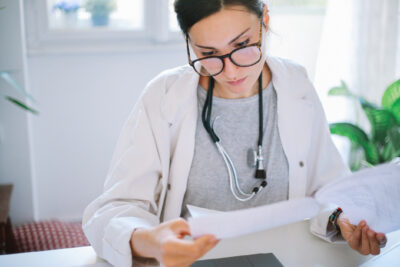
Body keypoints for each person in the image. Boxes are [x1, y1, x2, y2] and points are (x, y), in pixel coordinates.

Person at [82, 1, 387, 266]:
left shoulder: (296, 84)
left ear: (264, 20)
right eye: (208, 53)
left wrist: (341, 219)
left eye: (242, 46)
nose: (230, 71)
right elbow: (115, 208)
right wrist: (151, 241)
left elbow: (328, 188)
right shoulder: (164, 96)